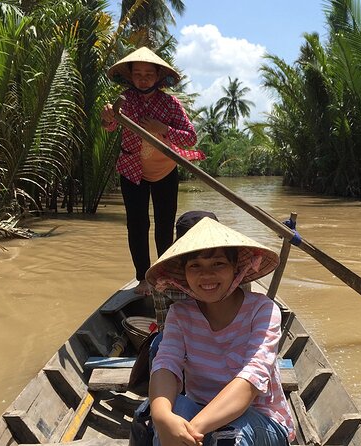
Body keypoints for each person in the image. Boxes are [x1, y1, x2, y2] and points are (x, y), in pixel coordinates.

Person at [144, 217, 295, 445]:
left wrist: (188, 433)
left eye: (218, 264)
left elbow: (249, 382)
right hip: (201, 409)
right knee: (164, 414)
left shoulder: (263, 310)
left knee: (227, 436)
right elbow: (166, 364)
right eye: (195, 266)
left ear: (235, 268)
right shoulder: (180, 314)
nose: (207, 275)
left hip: (262, 420)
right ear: (185, 273)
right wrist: (163, 417)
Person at [101, 46, 201, 295]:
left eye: (149, 73)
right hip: (132, 169)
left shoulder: (170, 104)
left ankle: (164, 275)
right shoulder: (124, 101)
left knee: (165, 224)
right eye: (138, 73)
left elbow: (190, 138)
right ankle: (142, 278)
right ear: (130, 76)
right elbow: (110, 126)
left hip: (165, 170)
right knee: (137, 224)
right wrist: (107, 118)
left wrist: (163, 128)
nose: (143, 78)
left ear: (158, 76)